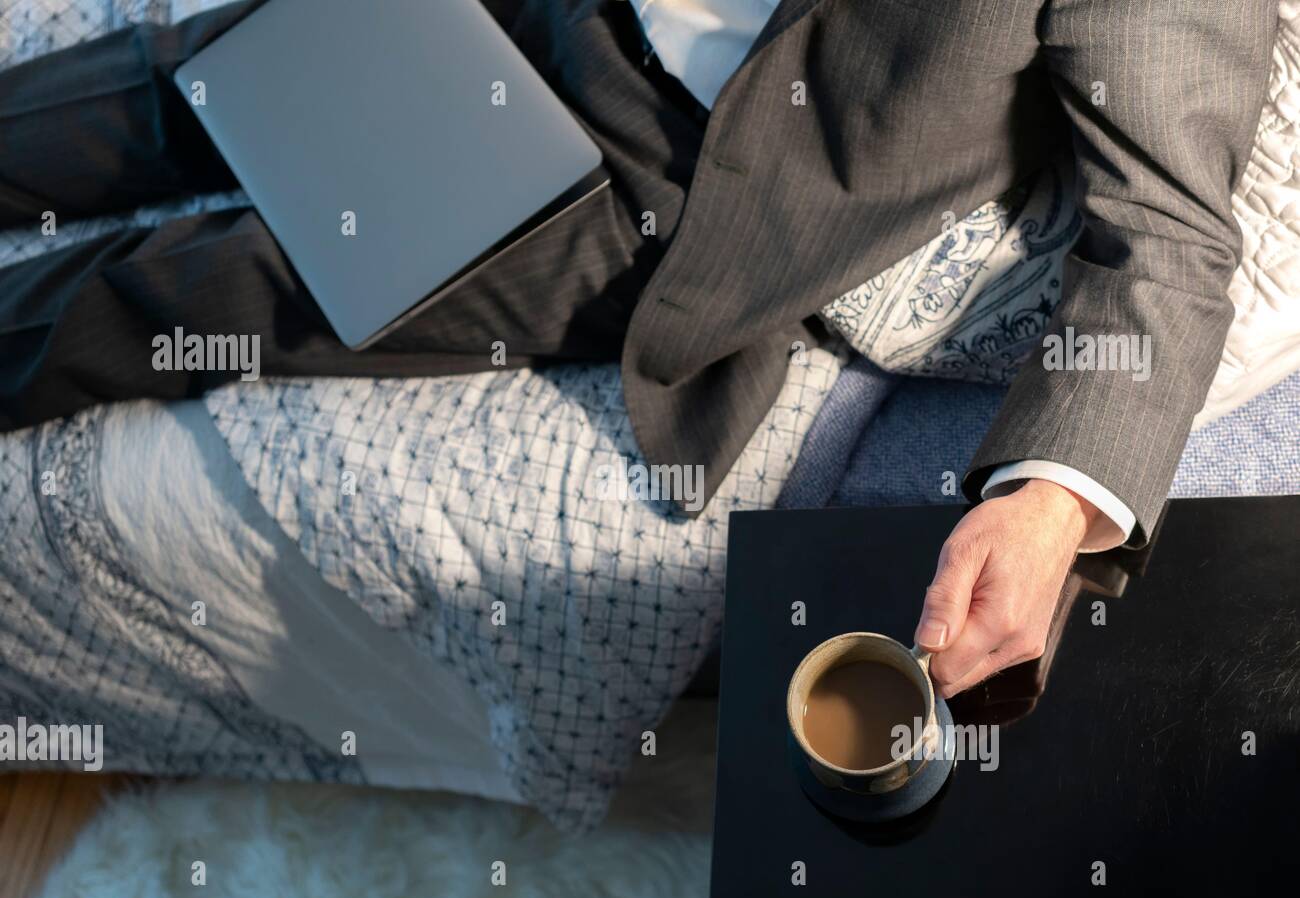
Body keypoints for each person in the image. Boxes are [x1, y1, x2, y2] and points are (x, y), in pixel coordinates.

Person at [0, 0, 1277, 699]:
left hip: (667, 184)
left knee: (205, 282)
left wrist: (1054, 496)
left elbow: (1166, 232)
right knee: (211, 74)